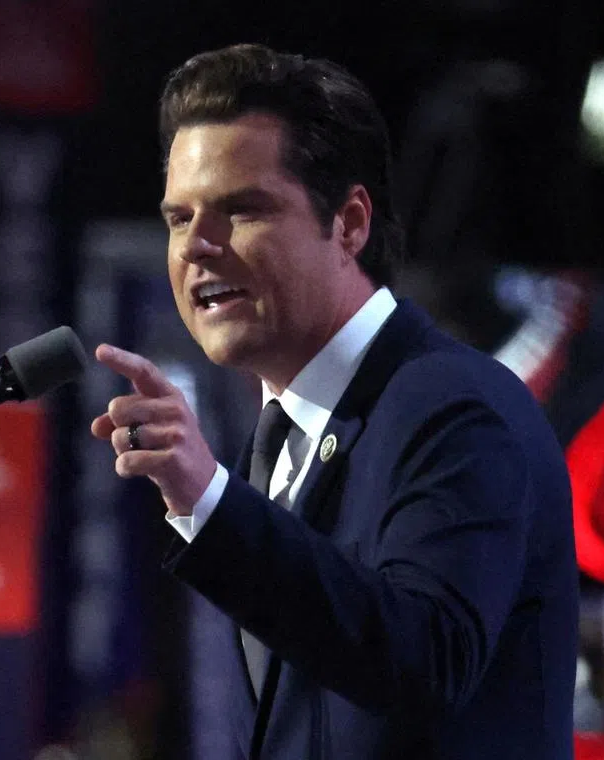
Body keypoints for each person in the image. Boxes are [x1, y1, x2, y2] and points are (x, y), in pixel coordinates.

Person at [90, 43, 578, 759]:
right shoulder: (278, 436)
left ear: (349, 224)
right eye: (178, 218)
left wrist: (215, 505)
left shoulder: (455, 407)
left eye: (241, 209)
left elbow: (425, 661)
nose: (197, 246)